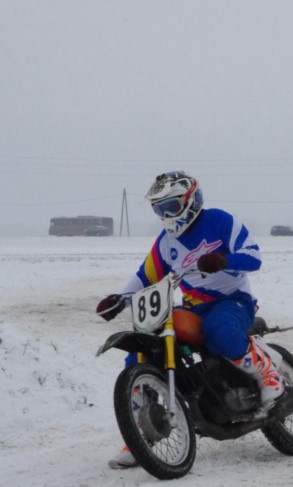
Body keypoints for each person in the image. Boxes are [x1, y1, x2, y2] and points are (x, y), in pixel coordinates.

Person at [96, 171, 283, 468]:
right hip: (193, 307)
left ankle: (267, 374)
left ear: (190, 200)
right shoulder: (166, 242)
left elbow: (253, 256)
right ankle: (142, 432)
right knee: (143, 349)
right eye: (159, 210)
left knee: (218, 329)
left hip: (233, 300)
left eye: (170, 207)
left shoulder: (220, 220)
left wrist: (223, 260)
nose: (166, 216)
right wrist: (120, 299)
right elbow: (145, 276)